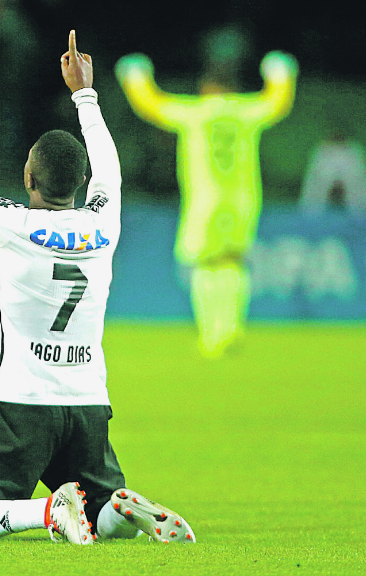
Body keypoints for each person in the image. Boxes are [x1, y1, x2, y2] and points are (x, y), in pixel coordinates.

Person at [0, 26, 194, 545]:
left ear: (29, 179)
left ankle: (47, 514)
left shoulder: (11, 224)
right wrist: (86, 95)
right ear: (80, 184)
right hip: (88, 406)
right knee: (98, 519)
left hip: (19, 404)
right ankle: (116, 507)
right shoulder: (103, 224)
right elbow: (110, 171)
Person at [115, 29, 297, 357]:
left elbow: (151, 105)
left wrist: (134, 74)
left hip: (205, 200)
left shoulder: (194, 113)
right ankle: (232, 328)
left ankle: (211, 334)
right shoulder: (247, 111)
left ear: (205, 88)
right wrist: (280, 71)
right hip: (243, 200)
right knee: (235, 263)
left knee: (205, 264)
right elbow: (278, 102)